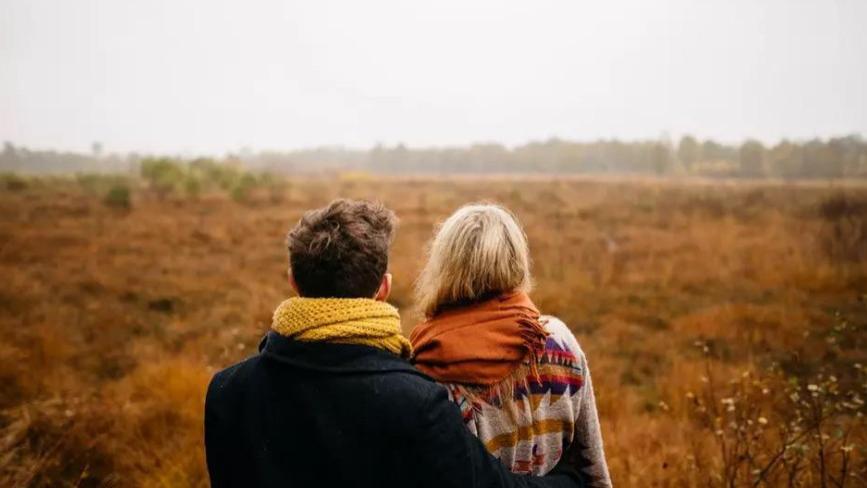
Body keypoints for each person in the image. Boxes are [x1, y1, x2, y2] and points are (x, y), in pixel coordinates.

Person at [204, 199, 584, 488]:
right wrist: (570, 480)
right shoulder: (416, 401)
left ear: (293, 281)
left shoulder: (227, 392)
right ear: (383, 288)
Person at [410, 203, 612, 487]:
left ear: (445, 266)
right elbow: (593, 466)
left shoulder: (435, 362)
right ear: (516, 261)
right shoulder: (556, 340)